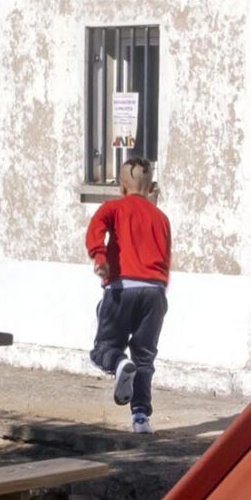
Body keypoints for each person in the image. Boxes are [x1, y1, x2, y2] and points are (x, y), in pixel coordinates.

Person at [84, 156, 171, 434]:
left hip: (122, 288)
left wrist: (99, 256)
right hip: (154, 291)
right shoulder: (161, 218)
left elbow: (95, 228)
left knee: (103, 350)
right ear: (151, 188)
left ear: (121, 187)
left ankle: (120, 363)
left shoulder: (113, 208)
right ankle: (141, 418)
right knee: (145, 358)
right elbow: (165, 257)